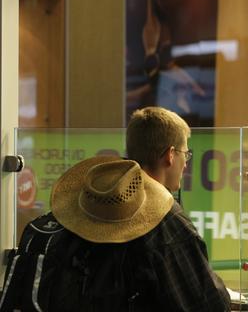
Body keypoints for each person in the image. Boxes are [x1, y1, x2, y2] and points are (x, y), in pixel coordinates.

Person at [1, 107, 230, 312]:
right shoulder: (166, 225)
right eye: (185, 153)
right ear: (170, 155)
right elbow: (208, 303)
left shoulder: (75, 216)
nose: (186, 162)